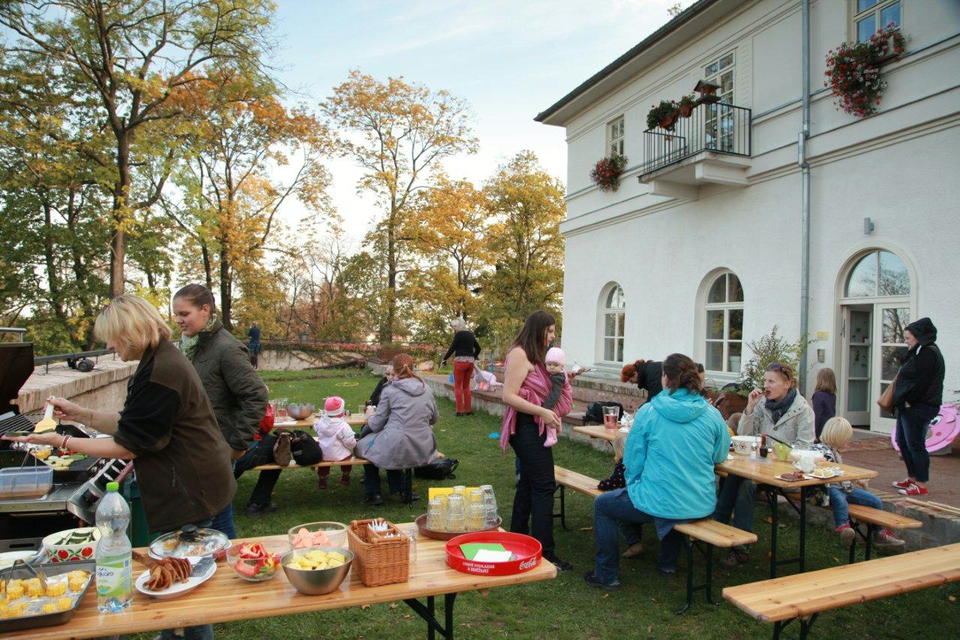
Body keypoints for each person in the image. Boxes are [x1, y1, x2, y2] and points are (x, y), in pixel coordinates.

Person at [4, 294, 235, 640]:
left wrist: (61, 441)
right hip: (199, 480)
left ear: (130, 333)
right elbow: (133, 423)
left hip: (190, 488)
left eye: (112, 338)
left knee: (182, 588)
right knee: (182, 581)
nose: (110, 347)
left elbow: (128, 446)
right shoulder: (158, 360)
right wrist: (82, 415)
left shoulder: (160, 372)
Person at [583, 353, 730, 590]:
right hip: (699, 501)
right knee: (672, 497)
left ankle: (606, 574)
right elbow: (720, 456)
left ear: (666, 378)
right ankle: (667, 563)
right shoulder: (712, 414)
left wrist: (635, 485)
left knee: (603, 505)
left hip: (660, 499)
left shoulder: (650, 412)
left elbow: (632, 460)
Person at [173, 285, 270, 530]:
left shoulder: (225, 348)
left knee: (217, 526)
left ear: (205, 310)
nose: (178, 320)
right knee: (207, 527)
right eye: (176, 314)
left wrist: (236, 445)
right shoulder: (193, 345)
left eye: (184, 314)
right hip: (195, 449)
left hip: (215, 451)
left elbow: (257, 394)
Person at [715, 362, 815, 567]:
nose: (766, 385)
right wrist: (750, 408)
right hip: (759, 467)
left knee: (745, 485)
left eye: (771, 381)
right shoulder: (762, 404)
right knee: (733, 475)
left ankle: (740, 548)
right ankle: (716, 529)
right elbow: (746, 435)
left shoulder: (803, 410)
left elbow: (805, 449)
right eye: (765, 381)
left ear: (787, 384)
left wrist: (780, 452)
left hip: (785, 473)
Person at [499, 310, 573, 571]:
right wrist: (542, 412)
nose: (552, 336)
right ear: (538, 329)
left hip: (535, 426)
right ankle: (545, 553)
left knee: (529, 484)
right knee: (544, 486)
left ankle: (517, 538)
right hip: (525, 427)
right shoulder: (519, 354)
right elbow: (508, 396)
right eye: (550, 331)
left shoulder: (537, 356)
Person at [356, 354, 439, 505]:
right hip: (424, 445)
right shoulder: (426, 389)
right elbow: (434, 419)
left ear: (394, 370)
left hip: (399, 442)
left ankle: (373, 492)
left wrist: (370, 415)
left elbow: (376, 425)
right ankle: (401, 489)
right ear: (413, 368)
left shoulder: (390, 390)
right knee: (389, 445)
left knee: (365, 446)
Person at [819, 418, 904, 548]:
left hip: (845, 488)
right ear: (838, 438)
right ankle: (843, 529)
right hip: (830, 488)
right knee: (840, 501)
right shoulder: (821, 451)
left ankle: (879, 533)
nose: (848, 441)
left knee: (876, 501)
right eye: (846, 439)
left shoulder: (836, 452)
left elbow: (842, 472)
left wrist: (857, 480)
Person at [892, 317, 945, 497]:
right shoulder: (920, 351)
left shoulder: (929, 353)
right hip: (909, 406)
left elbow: (923, 382)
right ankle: (912, 478)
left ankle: (921, 484)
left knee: (915, 445)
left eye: (908, 338)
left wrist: (910, 401)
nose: (906, 341)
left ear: (919, 336)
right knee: (902, 442)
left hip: (920, 406)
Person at [441, 318, 482, 416]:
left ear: (460, 326)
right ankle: (468, 410)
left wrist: (444, 359)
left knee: (457, 386)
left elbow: (452, 348)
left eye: (455, 326)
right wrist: (473, 357)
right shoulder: (470, 335)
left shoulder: (458, 335)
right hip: (470, 363)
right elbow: (478, 348)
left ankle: (459, 411)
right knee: (466, 386)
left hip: (460, 362)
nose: (453, 328)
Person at [315, 396, 357, 489]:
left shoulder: (321, 422)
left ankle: (322, 479)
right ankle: (345, 476)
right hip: (340, 455)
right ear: (341, 411)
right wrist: (353, 444)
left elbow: (316, 428)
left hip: (324, 454)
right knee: (348, 458)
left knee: (323, 462)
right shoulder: (343, 425)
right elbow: (349, 442)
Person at [542, 347, 573, 447]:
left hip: (562, 400)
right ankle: (558, 427)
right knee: (556, 413)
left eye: (555, 365)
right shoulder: (560, 373)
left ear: (562, 366)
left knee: (551, 414)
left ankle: (552, 437)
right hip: (564, 400)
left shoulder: (557, 377)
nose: (552, 367)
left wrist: (547, 407)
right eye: (549, 364)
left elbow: (555, 393)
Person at [811, 368, 837, 440]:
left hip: (821, 429)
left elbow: (817, 415)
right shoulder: (833, 396)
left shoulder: (818, 395)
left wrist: (814, 432)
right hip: (830, 427)